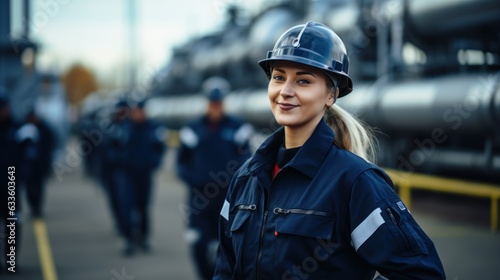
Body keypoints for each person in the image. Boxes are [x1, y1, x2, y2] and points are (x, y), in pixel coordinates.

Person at [213, 22, 446, 279]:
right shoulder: (247, 177)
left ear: (331, 95)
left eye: (303, 80)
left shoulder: (355, 182)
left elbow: (422, 274)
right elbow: (224, 268)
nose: (285, 91)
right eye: (279, 77)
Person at [176, 77, 254, 280]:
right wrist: (193, 179)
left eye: (219, 103)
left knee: (229, 245)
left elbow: (247, 160)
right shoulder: (193, 130)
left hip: (229, 199)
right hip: (199, 200)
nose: (215, 107)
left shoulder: (238, 129)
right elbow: (181, 163)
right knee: (198, 243)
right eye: (212, 103)